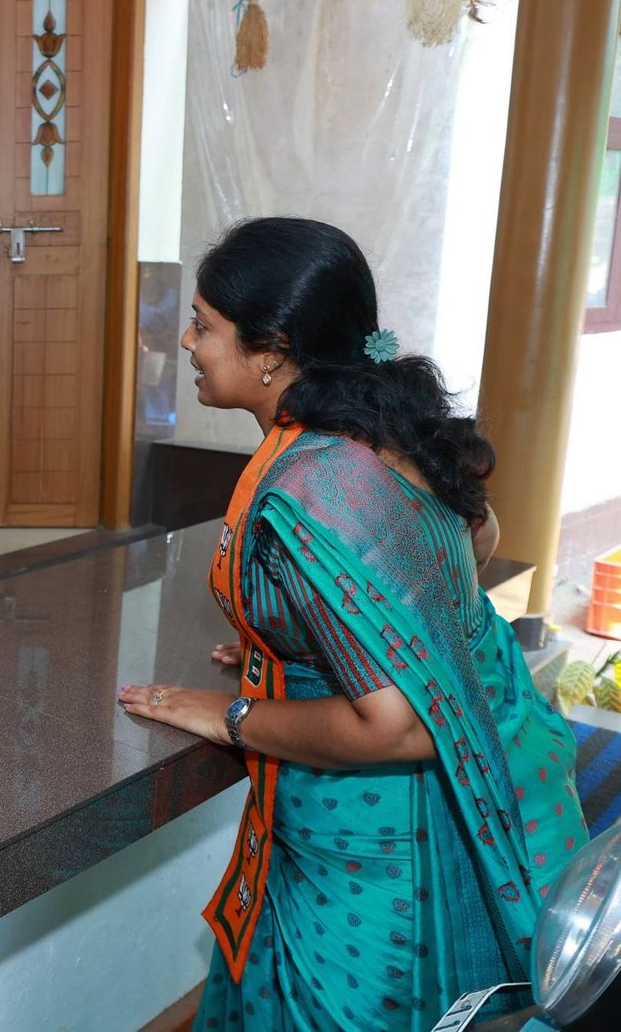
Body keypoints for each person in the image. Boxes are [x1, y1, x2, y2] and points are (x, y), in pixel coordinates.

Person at [117, 217, 586, 1029]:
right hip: (501, 749)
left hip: (383, 836)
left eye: (204, 324)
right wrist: (315, 643)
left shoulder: (317, 486)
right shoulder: (382, 417)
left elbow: (400, 725)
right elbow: (477, 537)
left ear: (270, 349)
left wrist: (234, 714)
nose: (187, 342)